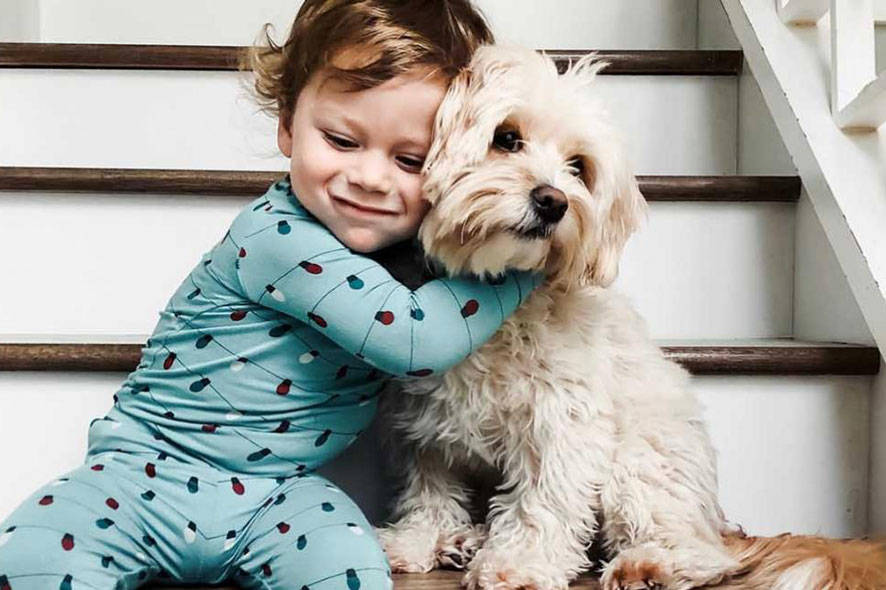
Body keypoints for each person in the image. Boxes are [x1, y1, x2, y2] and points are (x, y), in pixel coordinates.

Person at [0, 1, 540, 588]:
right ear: (287, 125)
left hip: (276, 498)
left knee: (352, 568)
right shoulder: (275, 238)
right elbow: (409, 337)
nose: (370, 177)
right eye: (340, 140)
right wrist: (528, 267)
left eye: (410, 160)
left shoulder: (411, 258)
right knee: (34, 556)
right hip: (144, 476)